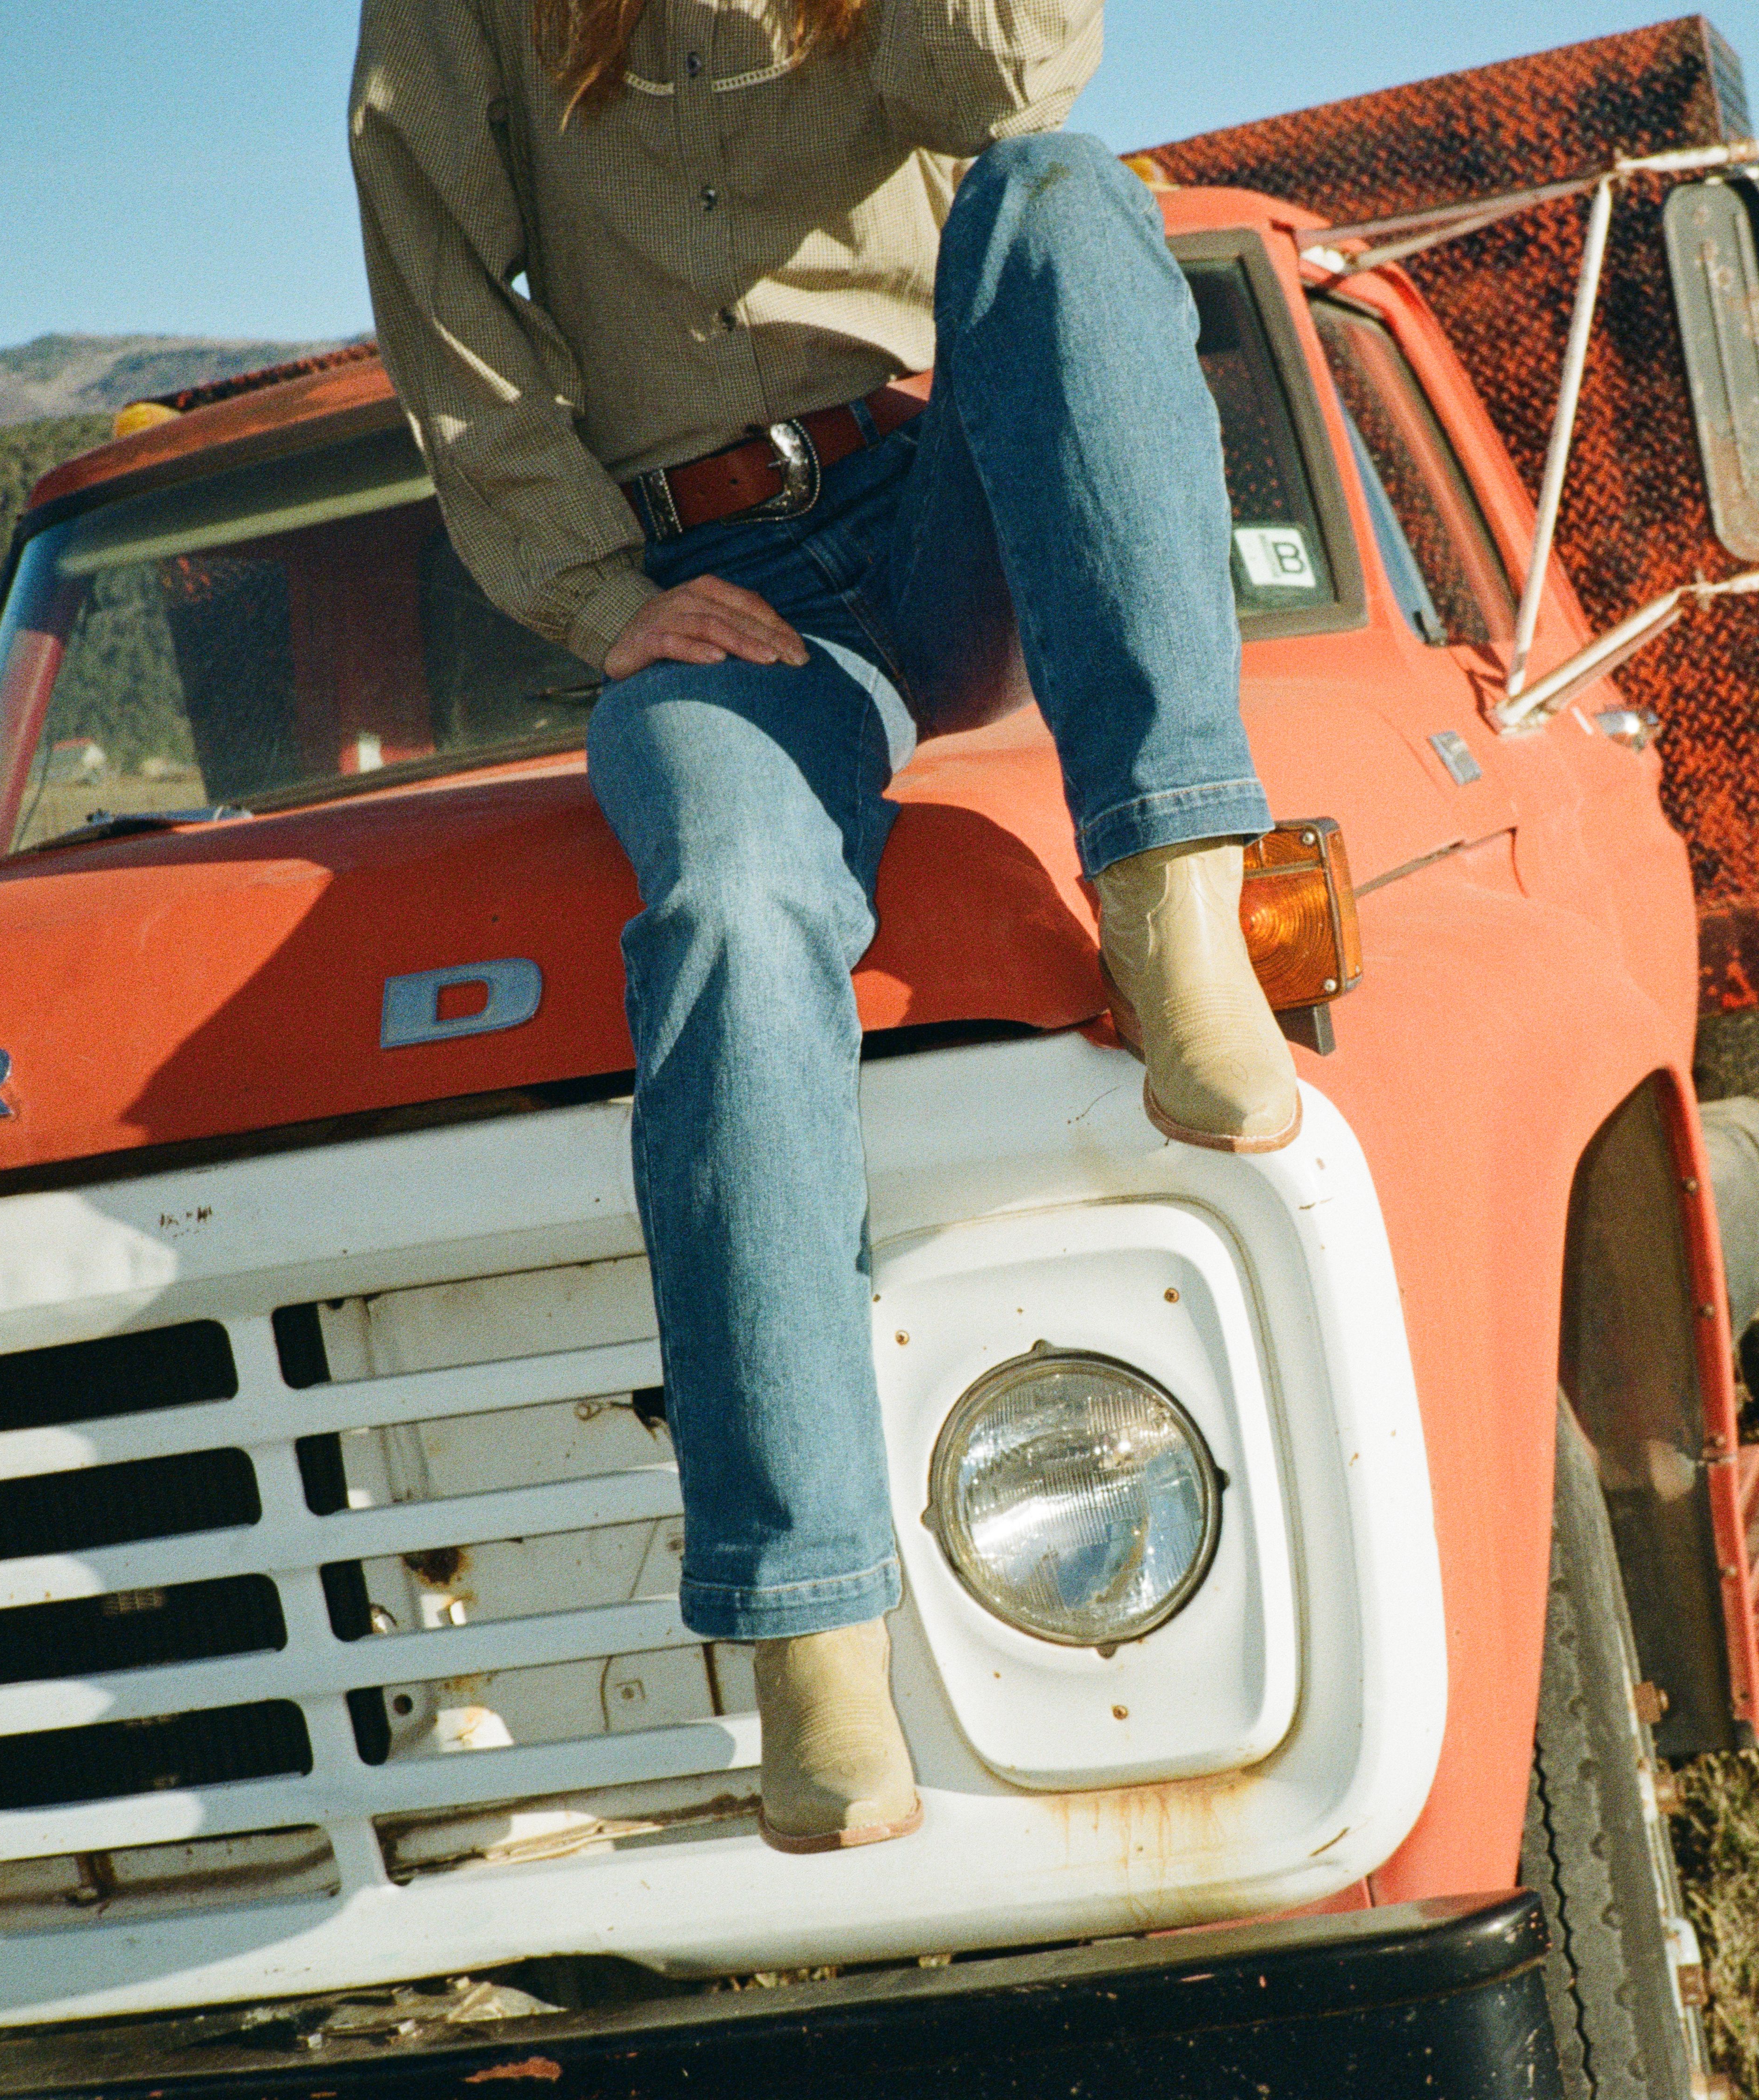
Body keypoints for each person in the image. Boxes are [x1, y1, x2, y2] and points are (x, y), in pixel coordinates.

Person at [348, 0, 1297, 1853]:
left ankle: (1172, 892)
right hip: (716, 584)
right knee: (724, 899)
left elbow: (1006, 89)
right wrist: (596, 592)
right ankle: (809, 1628)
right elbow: (432, 250)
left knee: (1060, 193)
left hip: (950, 495)